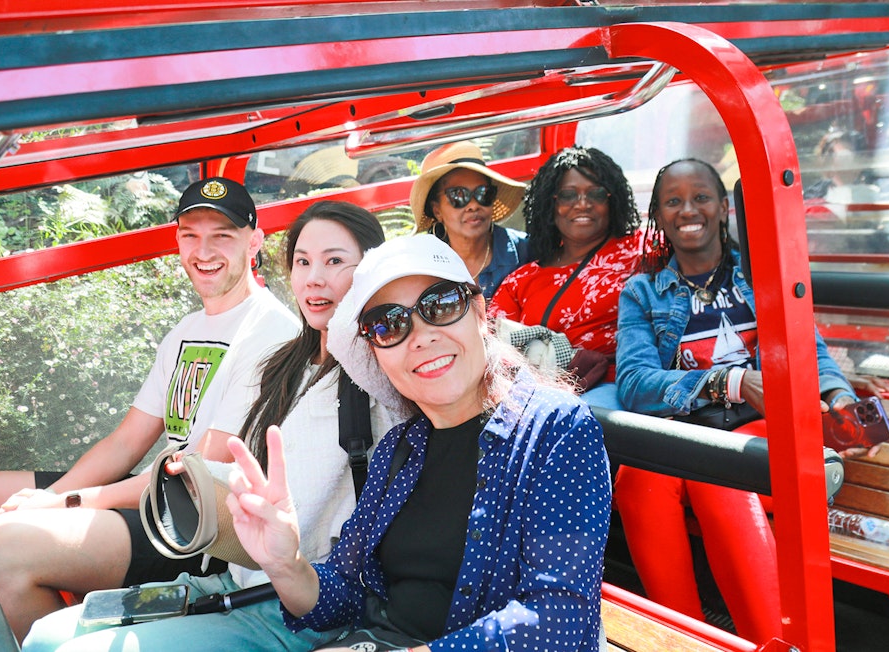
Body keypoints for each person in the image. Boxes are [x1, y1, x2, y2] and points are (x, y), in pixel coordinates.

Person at [22, 200, 407, 652]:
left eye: (335, 261)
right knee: (42, 636)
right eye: (302, 262)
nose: (314, 278)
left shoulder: (379, 379)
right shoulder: (286, 365)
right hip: (235, 580)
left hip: (302, 605)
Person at [193, 235, 608, 651]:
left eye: (441, 305)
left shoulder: (556, 429)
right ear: (376, 352)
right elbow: (346, 596)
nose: (421, 336)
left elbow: (559, 620)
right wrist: (285, 564)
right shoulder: (400, 447)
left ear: (479, 312)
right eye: (388, 325)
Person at [0, 177, 302, 641]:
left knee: (5, 552)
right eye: (191, 235)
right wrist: (57, 497)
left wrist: (67, 502)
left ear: (255, 240)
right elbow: (127, 441)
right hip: (156, 490)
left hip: (195, 525)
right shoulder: (187, 330)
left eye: (222, 235)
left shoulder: (270, 332)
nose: (204, 250)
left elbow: (196, 471)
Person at [612, 158, 866, 642]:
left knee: (720, 474)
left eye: (701, 197)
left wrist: (838, 398)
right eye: (673, 201)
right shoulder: (643, 293)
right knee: (638, 479)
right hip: (691, 428)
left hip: (761, 433)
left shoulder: (763, 275)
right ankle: (685, 636)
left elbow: (808, 352)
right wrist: (726, 382)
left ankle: (777, 641)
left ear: (724, 207)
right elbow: (635, 382)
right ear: (659, 216)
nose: (689, 210)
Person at [489, 146, 642, 407]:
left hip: (616, 386)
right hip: (537, 394)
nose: (582, 204)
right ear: (551, 203)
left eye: (595, 194)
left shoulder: (642, 249)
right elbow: (493, 346)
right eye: (568, 195)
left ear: (612, 200)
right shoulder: (521, 280)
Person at [410, 140, 529, 299]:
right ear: (437, 210)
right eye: (458, 195)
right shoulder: (421, 266)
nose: (473, 205)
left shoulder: (527, 251)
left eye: (483, 193)